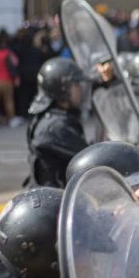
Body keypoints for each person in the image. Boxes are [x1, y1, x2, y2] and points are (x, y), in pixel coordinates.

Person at [26, 58, 89, 189]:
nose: (80, 89)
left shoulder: (49, 117)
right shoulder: (56, 127)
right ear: (62, 89)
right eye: (75, 84)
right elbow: (89, 160)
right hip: (58, 202)